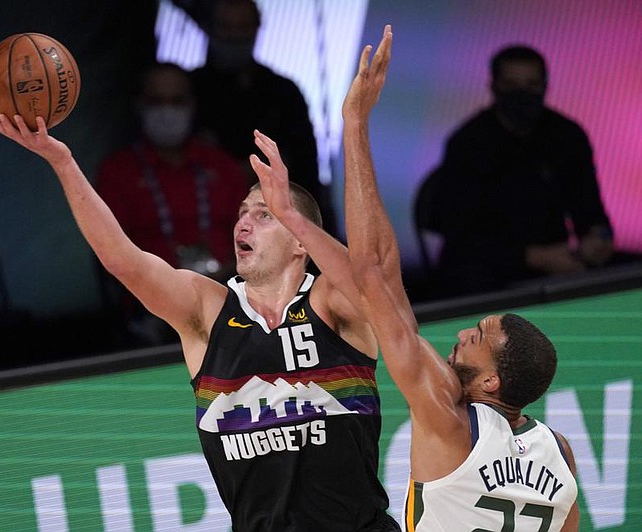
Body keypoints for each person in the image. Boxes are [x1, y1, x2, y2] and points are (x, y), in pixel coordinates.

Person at [0, 89, 398, 530]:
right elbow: (122, 261)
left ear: (300, 241)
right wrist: (63, 162)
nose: (243, 221)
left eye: (264, 215)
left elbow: (374, 280)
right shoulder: (207, 310)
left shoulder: (332, 305)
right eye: (242, 213)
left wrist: (296, 208)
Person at [254, 26, 580, 530]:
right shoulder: (559, 452)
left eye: (480, 337)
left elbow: (373, 278)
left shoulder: (447, 418)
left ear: (491, 381)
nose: (465, 333)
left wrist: (355, 122)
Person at [428, 44, 613, 296]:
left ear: (545, 86)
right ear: (494, 87)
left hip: (558, 262)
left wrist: (598, 237)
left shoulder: (568, 136)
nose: (522, 94)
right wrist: (534, 257)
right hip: (486, 269)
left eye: (532, 85)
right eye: (511, 85)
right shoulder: (468, 143)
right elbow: (460, 235)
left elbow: (590, 209)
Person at [95, 61, 248, 344]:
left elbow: (254, 239)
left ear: (192, 104)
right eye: (157, 101)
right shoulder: (117, 172)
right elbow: (110, 251)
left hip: (229, 303)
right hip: (151, 314)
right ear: (140, 104)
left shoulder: (221, 165)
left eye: (177, 101)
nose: (167, 110)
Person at [181, 0, 337, 235]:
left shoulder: (284, 93)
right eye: (226, 26)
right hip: (200, 221)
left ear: (257, 28)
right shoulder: (186, 90)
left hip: (275, 222)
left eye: (243, 26)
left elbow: (306, 170)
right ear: (209, 27)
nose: (234, 35)